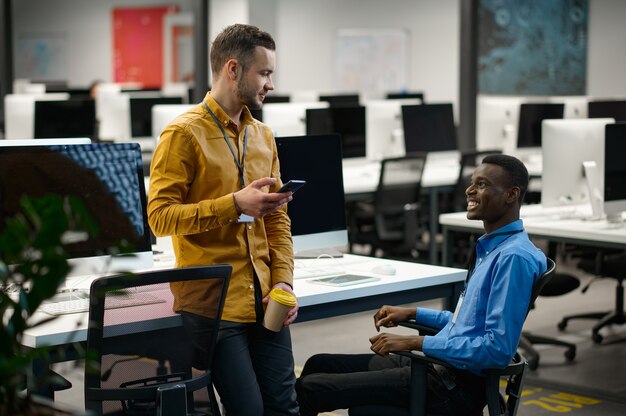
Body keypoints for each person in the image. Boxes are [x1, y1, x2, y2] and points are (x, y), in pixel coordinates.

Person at [296, 154, 547, 415]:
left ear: (511, 194)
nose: (469, 190)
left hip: (451, 385)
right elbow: (469, 323)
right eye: (472, 183)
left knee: (312, 390)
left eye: (481, 184)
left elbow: (495, 349)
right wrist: (413, 313)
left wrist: (413, 343)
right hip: (438, 365)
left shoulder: (512, 258)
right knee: (318, 364)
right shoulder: (494, 248)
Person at [147, 24, 299, 415]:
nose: (270, 84)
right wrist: (233, 205)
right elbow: (159, 218)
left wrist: (283, 280)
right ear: (233, 69)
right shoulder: (182, 134)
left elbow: (277, 220)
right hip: (214, 303)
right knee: (248, 410)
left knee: (285, 406)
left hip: (266, 298)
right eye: (264, 73)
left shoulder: (263, 136)